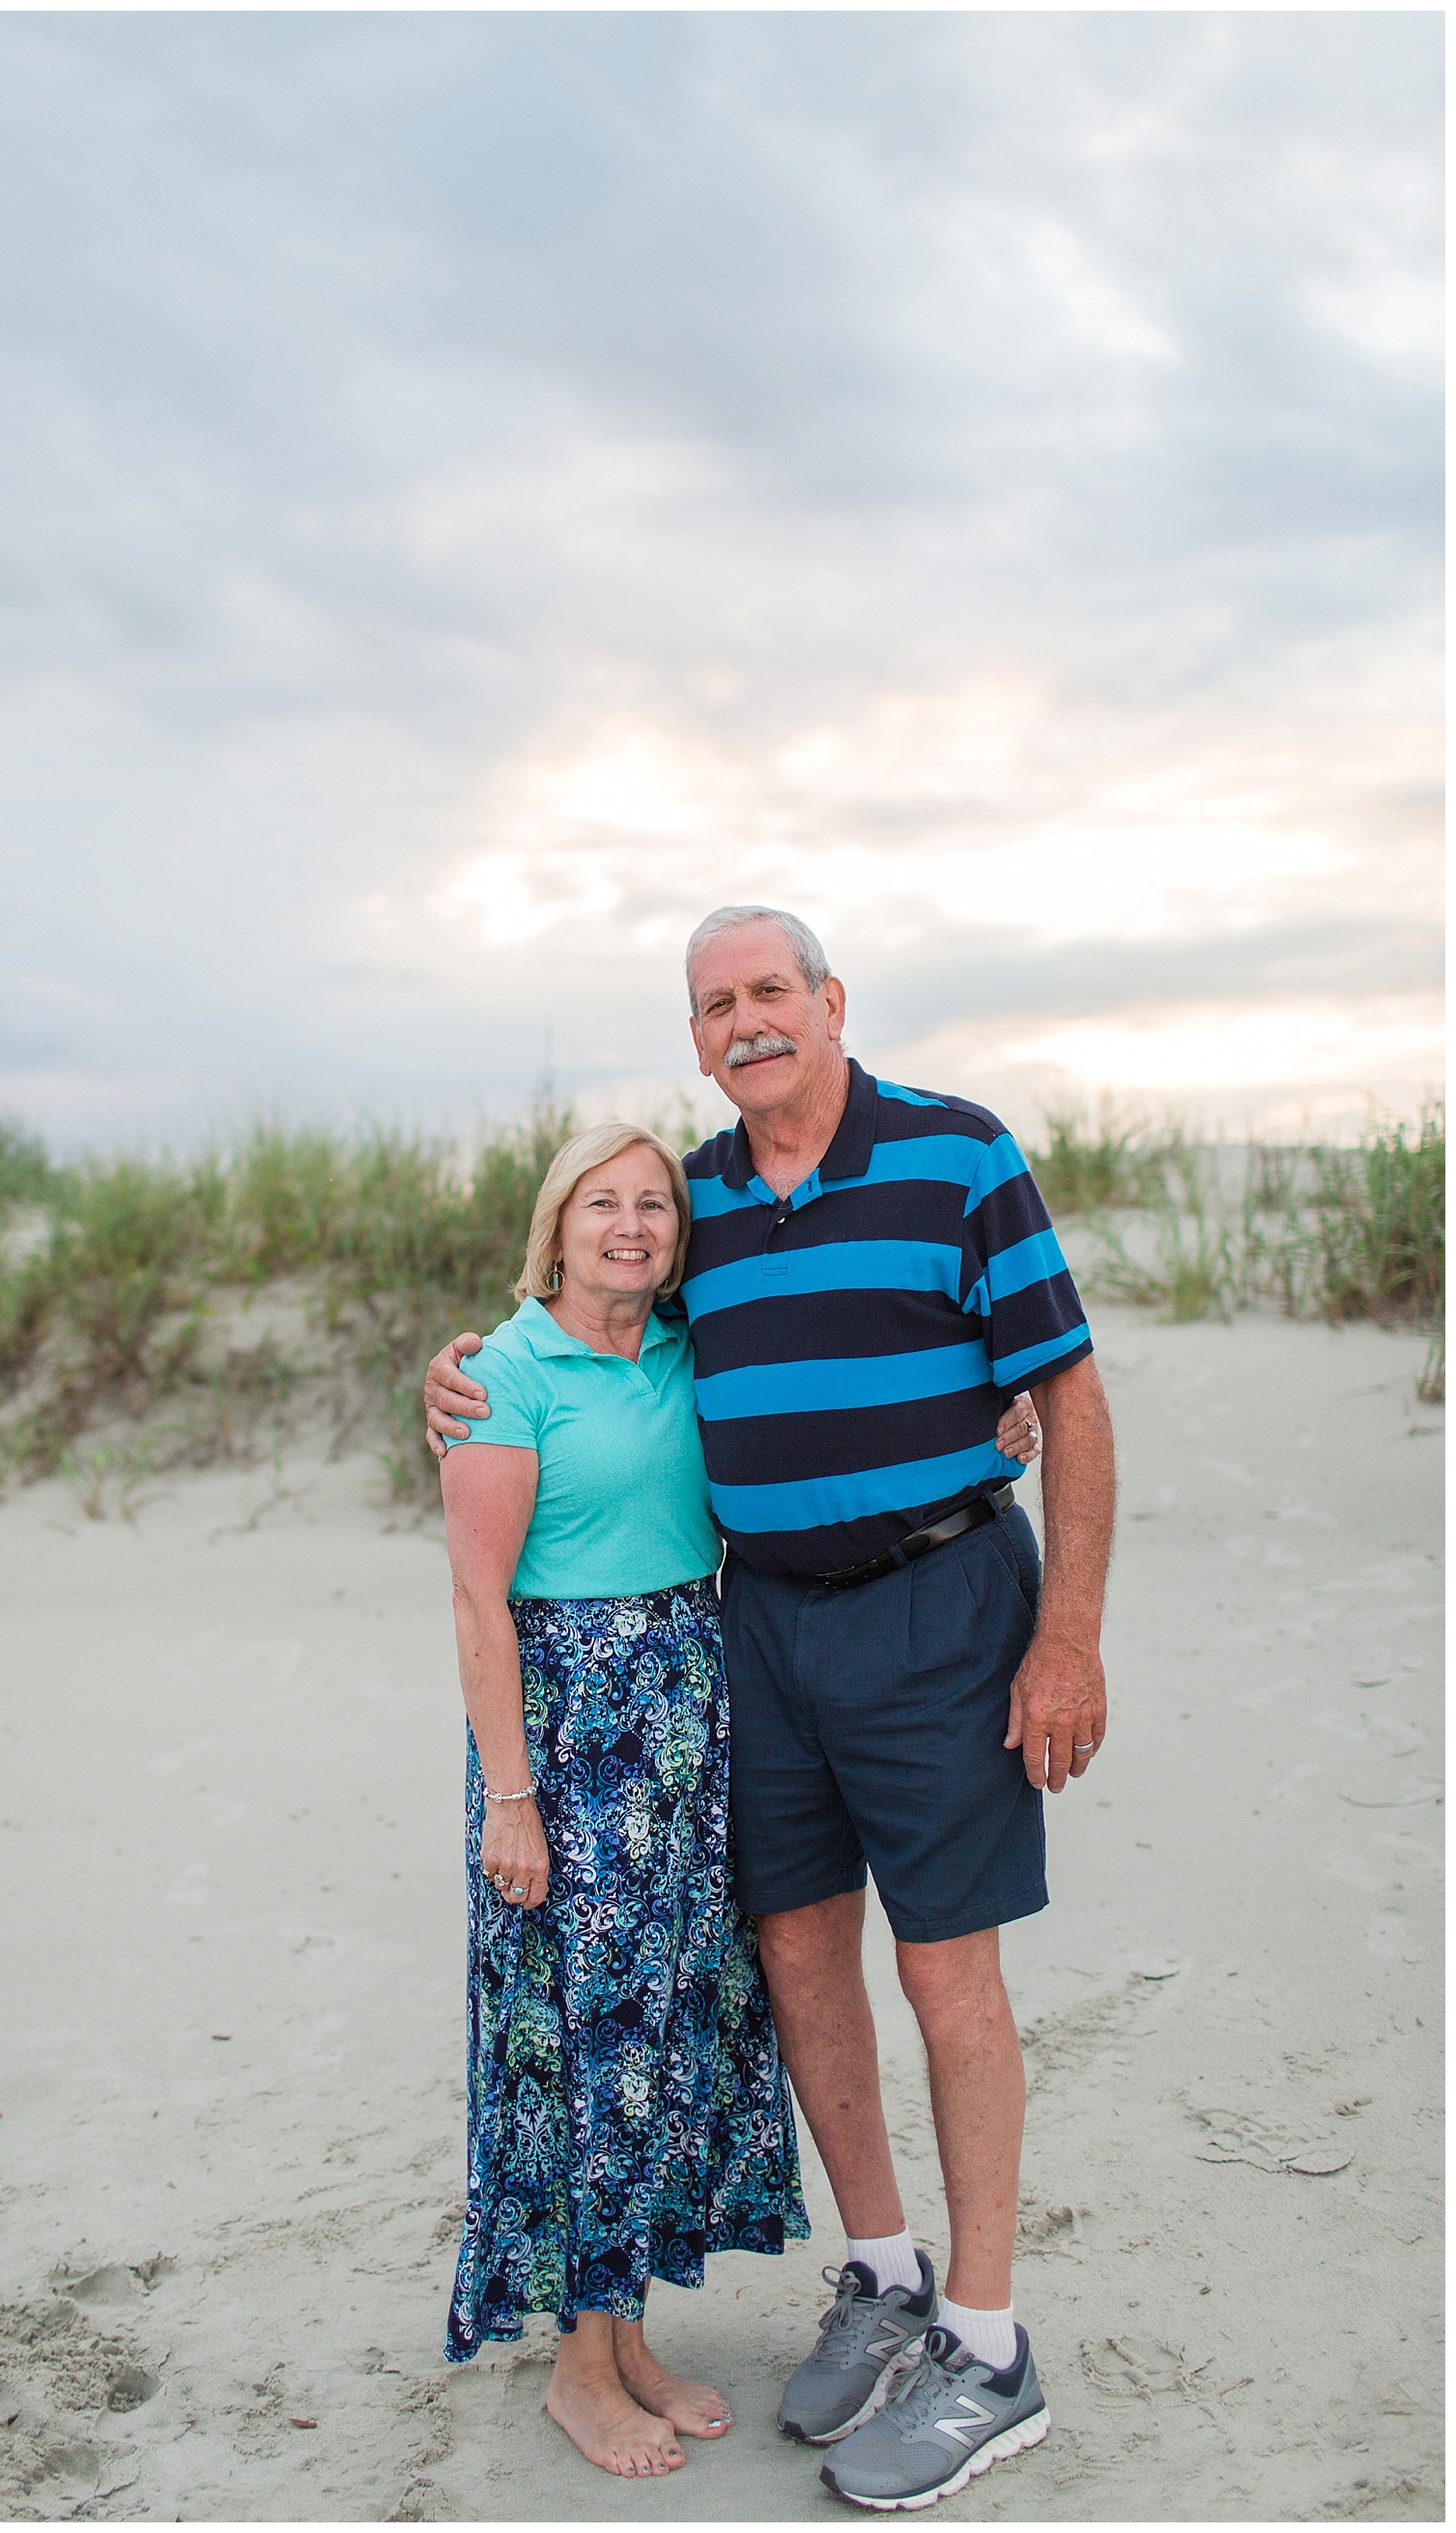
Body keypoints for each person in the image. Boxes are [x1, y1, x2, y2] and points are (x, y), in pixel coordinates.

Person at [426, 906, 1114, 2513]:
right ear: (696, 1035)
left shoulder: (956, 1152)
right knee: (797, 1954)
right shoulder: (707, 1201)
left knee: (947, 1972)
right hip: (759, 1635)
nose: (744, 1021)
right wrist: (454, 1376)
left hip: (943, 1611)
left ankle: (989, 2345)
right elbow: (582, 1346)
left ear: (829, 1000)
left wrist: (1067, 1631)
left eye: (768, 991)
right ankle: (882, 2272)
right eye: (712, 1003)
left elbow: (1068, 1388)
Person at [438, 1119, 807, 2482]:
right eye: (606, 1202)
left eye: (655, 1203)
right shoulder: (504, 1369)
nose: (635, 1224)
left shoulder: (683, 1350)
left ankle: (628, 2330)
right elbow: (479, 1600)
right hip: (568, 1733)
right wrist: (513, 1799)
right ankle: (576, 2373)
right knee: (576, 2043)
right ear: (559, 1222)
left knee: (659, 2030)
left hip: (686, 1722)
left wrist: (991, 1416)